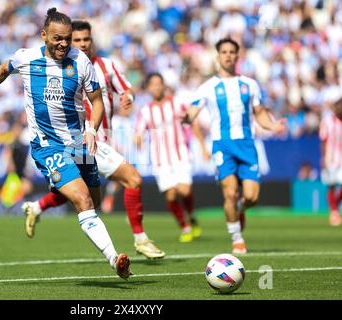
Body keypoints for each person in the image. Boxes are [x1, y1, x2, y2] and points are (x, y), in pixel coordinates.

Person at [0, 8, 132, 279]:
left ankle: (36, 207)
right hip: (47, 144)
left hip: (78, 142)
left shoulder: (81, 62)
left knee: (92, 202)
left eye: (67, 38)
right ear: (44, 36)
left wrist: (90, 130)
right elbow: (3, 69)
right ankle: (115, 259)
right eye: (57, 38)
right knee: (83, 199)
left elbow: (97, 101)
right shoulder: (27, 58)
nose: (63, 44)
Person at [21, 20, 165, 259]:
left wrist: (127, 97)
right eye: (77, 40)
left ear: (92, 40)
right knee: (131, 179)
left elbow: (125, 89)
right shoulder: (64, 64)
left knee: (82, 193)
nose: (82, 44)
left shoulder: (106, 66)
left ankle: (36, 207)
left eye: (86, 39)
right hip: (83, 140)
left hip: (101, 139)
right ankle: (140, 239)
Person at [185, 37, 287, 254]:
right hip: (223, 146)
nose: (228, 55)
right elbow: (192, 112)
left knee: (251, 197)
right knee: (229, 193)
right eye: (224, 52)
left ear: (237, 56)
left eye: (232, 52)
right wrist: (185, 118)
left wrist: (273, 126)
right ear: (218, 56)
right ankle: (237, 239)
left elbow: (260, 114)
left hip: (247, 146)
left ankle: (239, 208)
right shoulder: (208, 87)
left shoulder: (250, 85)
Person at [135, 73, 209, 243]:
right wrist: (137, 139)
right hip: (160, 159)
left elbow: (192, 123)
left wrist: (203, 147)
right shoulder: (145, 111)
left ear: (164, 85)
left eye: (159, 83)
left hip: (180, 154)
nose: (156, 87)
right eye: (152, 84)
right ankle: (185, 227)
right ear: (148, 88)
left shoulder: (176, 104)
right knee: (171, 195)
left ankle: (191, 214)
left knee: (185, 191)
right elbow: (138, 131)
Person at [320, 96, 342, 226]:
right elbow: (323, 140)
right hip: (331, 158)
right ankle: (334, 211)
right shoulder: (328, 121)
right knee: (332, 185)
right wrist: (323, 157)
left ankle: (334, 208)